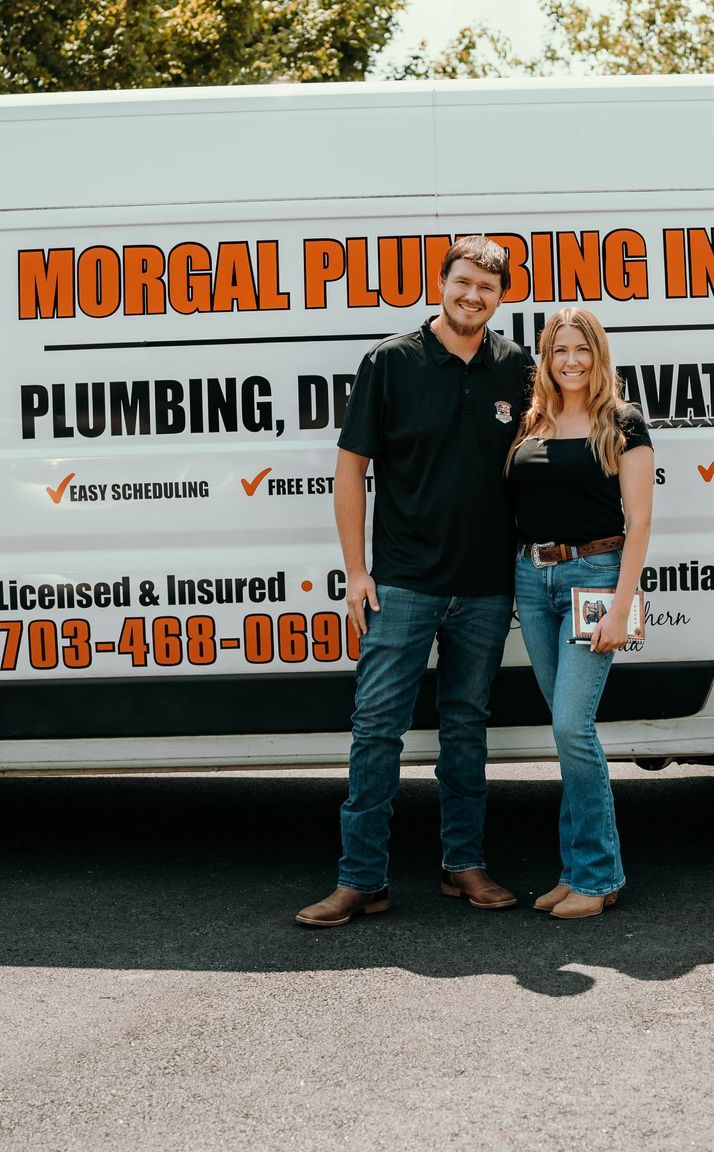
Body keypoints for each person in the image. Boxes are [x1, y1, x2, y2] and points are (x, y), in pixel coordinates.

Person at [295, 236, 535, 927]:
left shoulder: (515, 367)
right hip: (401, 585)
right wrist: (356, 573)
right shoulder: (391, 361)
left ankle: (463, 867)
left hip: (486, 588)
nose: (472, 296)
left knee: (467, 731)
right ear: (443, 284)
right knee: (376, 732)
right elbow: (351, 468)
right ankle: (361, 880)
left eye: (487, 289)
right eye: (463, 283)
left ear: (500, 297)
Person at [505, 307, 655, 919]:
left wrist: (622, 605)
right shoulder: (532, 422)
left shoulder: (622, 423)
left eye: (581, 349)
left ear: (598, 355)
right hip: (531, 579)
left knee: (572, 727)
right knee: (568, 734)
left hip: (594, 577)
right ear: (546, 357)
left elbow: (640, 521)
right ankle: (575, 871)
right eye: (560, 349)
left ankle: (599, 876)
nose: (571, 360)